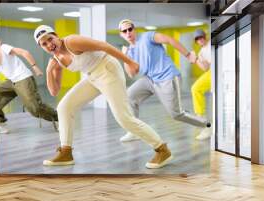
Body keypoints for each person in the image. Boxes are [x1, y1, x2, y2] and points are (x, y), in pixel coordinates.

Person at [34, 25, 172, 169]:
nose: (49, 44)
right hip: (92, 76)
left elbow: (103, 46)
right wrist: (49, 70)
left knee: (124, 118)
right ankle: (66, 152)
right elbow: (54, 91)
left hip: (107, 69)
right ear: (41, 47)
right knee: (63, 107)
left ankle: (162, 149)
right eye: (44, 44)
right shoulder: (56, 60)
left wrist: (130, 62)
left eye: (50, 39)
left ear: (56, 35)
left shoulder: (71, 42)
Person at [117, 19, 211, 142]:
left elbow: (169, 40)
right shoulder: (130, 51)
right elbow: (131, 74)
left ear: (135, 30)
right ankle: (134, 131)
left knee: (176, 114)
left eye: (130, 29)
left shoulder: (148, 36)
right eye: (124, 31)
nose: (128, 32)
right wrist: (125, 57)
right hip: (150, 79)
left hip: (168, 77)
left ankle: (207, 125)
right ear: (121, 34)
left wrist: (188, 55)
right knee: (129, 96)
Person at [0, 36, 58, 133]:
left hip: (23, 78)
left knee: (35, 108)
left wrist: (35, 67)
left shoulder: (4, 48)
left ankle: (59, 118)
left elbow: (24, 52)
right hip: (12, 81)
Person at [191, 29, 212, 140]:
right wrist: (195, 59)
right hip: (211, 72)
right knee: (195, 88)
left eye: (201, 37)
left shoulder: (212, 43)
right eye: (197, 39)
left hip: (221, 68)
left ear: (205, 36)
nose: (200, 40)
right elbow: (205, 68)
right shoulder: (201, 53)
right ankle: (202, 120)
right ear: (196, 42)